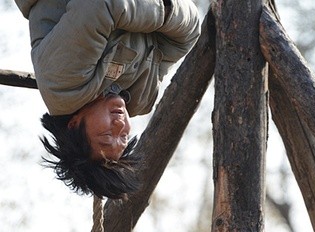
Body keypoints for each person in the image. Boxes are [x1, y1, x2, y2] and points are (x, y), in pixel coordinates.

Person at [15, 0, 200, 198]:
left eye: (106, 136)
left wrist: (160, 12)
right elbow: (188, 33)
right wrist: (165, 10)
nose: (120, 126)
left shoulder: (63, 82)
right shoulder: (141, 97)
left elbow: (102, 5)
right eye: (123, 137)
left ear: (74, 125)